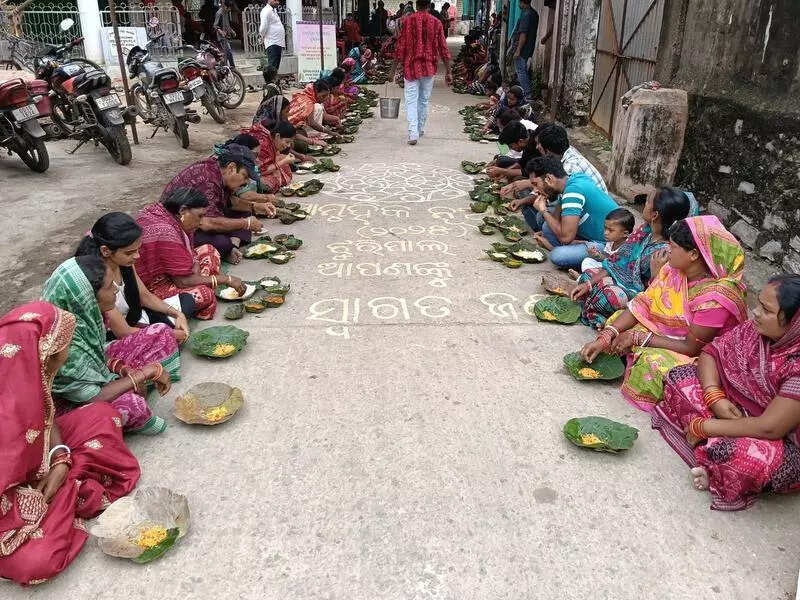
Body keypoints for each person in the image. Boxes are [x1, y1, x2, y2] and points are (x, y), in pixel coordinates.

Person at [0, 302, 140, 586]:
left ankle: (68, 486)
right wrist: (34, 499)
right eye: (64, 343)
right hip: (10, 494)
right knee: (35, 562)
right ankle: (68, 494)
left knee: (102, 416)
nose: (69, 350)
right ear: (44, 351)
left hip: (42, 458)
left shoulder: (30, 371)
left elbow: (47, 416)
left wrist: (60, 458)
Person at [652, 275, 800, 511]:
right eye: (759, 304)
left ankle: (710, 448)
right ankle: (712, 452)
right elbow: (711, 353)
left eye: (766, 309)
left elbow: (770, 427)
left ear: (794, 322)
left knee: (746, 458)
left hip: (780, 442)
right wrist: (714, 396)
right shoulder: (756, 330)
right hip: (733, 412)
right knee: (678, 378)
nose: (755, 312)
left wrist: (706, 427)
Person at [579, 216, 748, 411]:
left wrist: (638, 337)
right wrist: (606, 336)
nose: (667, 251)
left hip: (699, 354)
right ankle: (625, 350)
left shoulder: (716, 297)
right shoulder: (673, 270)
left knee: (653, 364)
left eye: (673, 247)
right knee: (617, 320)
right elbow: (642, 304)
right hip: (666, 333)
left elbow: (691, 347)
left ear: (693, 254)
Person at [41, 255, 175, 435]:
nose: (115, 290)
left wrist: (123, 370)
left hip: (96, 374)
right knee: (132, 406)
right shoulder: (61, 344)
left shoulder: (84, 316)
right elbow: (94, 396)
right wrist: (143, 374)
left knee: (160, 331)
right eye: (109, 287)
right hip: (70, 402)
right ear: (88, 296)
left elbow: (95, 353)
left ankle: (132, 385)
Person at [569, 187, 693, 329]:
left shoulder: (666, 252)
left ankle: (609, 318)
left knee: (609, 297)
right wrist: (588, 284)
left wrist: (656, 275)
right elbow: (615, 263)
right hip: (619, 282)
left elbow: (660, 298)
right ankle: (597, 307)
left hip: (638, 296)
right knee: (588, 277)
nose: (643, 206)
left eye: (647, 203)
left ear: (655, 215)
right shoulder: (644, 231)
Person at [75, 213, 192, 344]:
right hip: (115, 335)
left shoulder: (124, 263)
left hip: (133, 317)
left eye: (137, 250)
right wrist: (171, 334)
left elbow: (145, 296)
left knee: (186, 300)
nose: (137, 256)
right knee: (164, 340)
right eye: (130, 252)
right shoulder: (96, 277)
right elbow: (123, 332)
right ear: (105, 250)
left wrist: (177, 314)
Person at [136, 188, 246, 321]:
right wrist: (227, 279)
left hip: (173, 273)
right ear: (182, 211)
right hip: (151, 289)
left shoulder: (170, 217)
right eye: (199, 216)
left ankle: (199, 283)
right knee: (204, 294)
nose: (201, 222)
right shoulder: (166, 232)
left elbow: (190, 257)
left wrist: (194, 267)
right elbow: (182, 282)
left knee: (209, 250)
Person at [161, 144, 264, 263]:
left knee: (244, 213)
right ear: (231, 168)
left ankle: (233, 244)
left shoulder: (217, 171)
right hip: (181, 226)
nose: (246, 183)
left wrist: (254, 207)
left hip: (200, 219)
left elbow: (228, 202)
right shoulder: (207, 180)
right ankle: (229, 246)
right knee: (221, 242)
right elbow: (206, 223)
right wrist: (246, 224)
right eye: (245, 176)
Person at [513, 156, 618, 269]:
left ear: (548, 178)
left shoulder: (573, 192)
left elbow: (565, 237)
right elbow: (555, 219)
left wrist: (543, 210)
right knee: (547, 227)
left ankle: (586, 258)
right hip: (590, 234)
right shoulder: (572, 180)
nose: (536, 190)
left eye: (535, 184)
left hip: (607, 244)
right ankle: (573, 248)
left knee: (558, 255)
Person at [393, 0, 452, 145]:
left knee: (411, 101)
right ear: (428, 6)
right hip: (429, 68)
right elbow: (443, 48)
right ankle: (419, 129)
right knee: (424, 100)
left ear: (416, 5)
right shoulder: (436, 23)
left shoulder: (407, 21)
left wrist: (392, 70)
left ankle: (413, 133)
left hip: (411, 67)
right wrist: (448, 71)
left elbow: (400, 47)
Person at [501, 123, 606, 198]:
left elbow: (554, 189)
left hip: (597, 217)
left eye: (539, 145)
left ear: (549, 150)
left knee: (541, 217)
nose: (537, 147)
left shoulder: (569, 167)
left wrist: (527, 184)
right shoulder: (565, 152)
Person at [241, 119, 297, 193]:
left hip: (254, 168)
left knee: (283, 161)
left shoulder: (269, 137)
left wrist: (282, 160)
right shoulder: (264, 144)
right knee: (272, 180)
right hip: (244, 171)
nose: (288, 145)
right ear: (277, 136)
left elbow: (273, 156)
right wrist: (284, 161)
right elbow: (260, 171)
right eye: (287, 142)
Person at [575, 207, 635, 271]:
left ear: (625, 234)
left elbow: (617, 267)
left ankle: (583, 277)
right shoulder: (611, 241)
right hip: (607, 267)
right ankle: (588, 276)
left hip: (617, 273)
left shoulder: (626, 248)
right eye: (605, 228)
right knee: (587, 261)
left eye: (611, 230)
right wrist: (597, 255)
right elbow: (607, 258)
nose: (605, 233)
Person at [510, 0, 538, 103]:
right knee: (522, 70)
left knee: (521, 71)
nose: (518, 4)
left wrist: (518, 50)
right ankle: (524, 93)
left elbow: (523, 34)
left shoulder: (526, 14)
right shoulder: (534, 13)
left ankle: (527, 95)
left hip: (523, 48)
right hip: (529, 46)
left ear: (522, 2)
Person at [259, 0, 285, 71]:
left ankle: (273, 81)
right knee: (272, 66)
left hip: (277, 42)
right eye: (275, 0)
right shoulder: (266, 11)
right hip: (272, 42)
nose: (277, 2)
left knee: (275, 66)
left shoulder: (273, 10)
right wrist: (262, 36)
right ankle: (269, 81)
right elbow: (263, 28)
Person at [213, 0, 236, 67]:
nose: (230, 9)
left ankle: (222, 66)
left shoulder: (226, 13)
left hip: (226, 36)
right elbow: (215, 26)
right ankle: (232, 67)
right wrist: (221, 32)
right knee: (229, 52)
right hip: (221, 37)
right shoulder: (219, 13)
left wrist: (232, 31)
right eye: (229, 8)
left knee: (226, 53)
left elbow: (227, 25)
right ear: (226, 7)